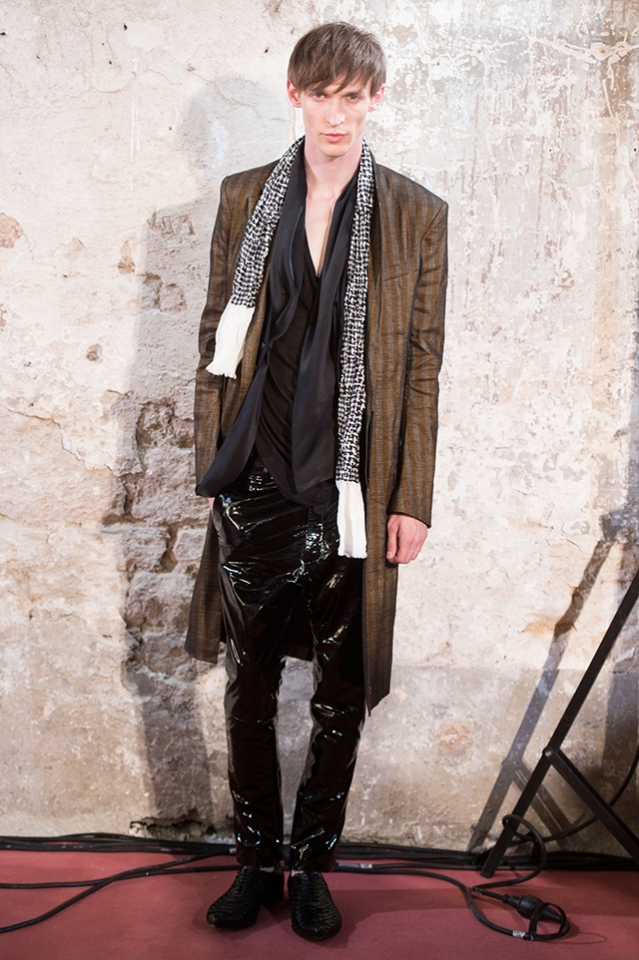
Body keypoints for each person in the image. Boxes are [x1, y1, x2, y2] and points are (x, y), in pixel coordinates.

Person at [185, 21, 448, 941]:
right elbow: (216, 334)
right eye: (322, 95)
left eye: (354, 97)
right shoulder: (244, 196)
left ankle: (311, 866)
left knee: (341, 690)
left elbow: (422, 362)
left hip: (353, 483)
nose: (338, 115)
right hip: (256, 471)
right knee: (249, 684)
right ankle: (256, 860)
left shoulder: (415, 213)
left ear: (375, 100)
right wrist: (211, 458)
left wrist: (411, 496)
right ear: (294, 94)